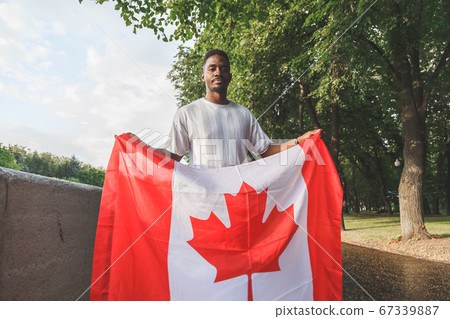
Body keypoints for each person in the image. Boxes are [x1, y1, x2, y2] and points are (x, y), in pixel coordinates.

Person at [163, 49, 319, 168]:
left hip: (237, 199)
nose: (218, 72)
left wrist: (299, 141)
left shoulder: (243, 114)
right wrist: (140, 149)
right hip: (203, 202)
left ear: (230, 76)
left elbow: (265, 151)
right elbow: (172, 155)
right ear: (203, 76)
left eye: (223, 69)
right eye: (212, 68)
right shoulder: (187, 113)